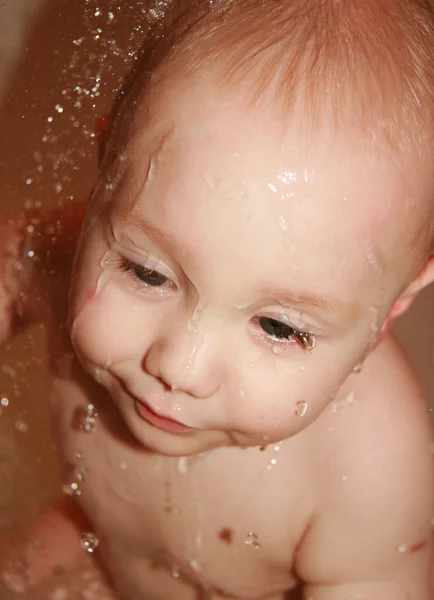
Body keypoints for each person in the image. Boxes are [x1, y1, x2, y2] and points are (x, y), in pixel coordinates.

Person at [1, 0, 434, 598]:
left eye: (280, 328)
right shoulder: (56, 257)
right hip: (95, 544)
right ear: (106, 174)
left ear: (391, 309)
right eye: (147, 274)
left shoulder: (371, 471)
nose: (180, 367)